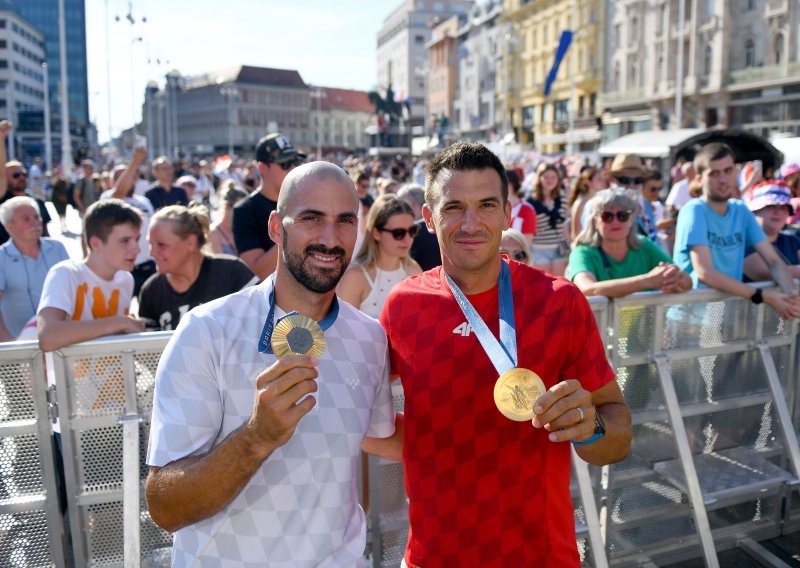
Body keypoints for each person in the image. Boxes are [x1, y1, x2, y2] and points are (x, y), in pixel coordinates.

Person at [380, 142, 631, 566]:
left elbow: (619, 438)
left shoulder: (560, 301)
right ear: (427, 217)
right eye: (453, 206)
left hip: (539, 555)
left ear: (508, 212)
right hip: (434, 555)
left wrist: (590, 428)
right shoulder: (404, 305)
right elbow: (363, 412)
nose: (471, 223)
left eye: (486, 205)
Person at [145, 161, 400, 566]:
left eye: (345, 220)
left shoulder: (369, 338)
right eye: (311, 218)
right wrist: (256, 437)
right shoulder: (206, 332)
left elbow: (375, 445)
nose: (330, 238)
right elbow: (165, 507)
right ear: (276, 227)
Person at [673, 142, 800, 319]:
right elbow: (705, 273)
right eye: (714, 173)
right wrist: (764, 296)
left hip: (726, 316)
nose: (723, 179)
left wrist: (790, 296)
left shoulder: (740, 210)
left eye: (727, 170)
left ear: (735, 172)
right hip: (692, 319)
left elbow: (773, 261)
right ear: (700, 178)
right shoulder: (694, 210)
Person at [35, 199, 145, 351]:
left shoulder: (125, 279)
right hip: (71, 375)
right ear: (95, 244)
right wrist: (122, 322)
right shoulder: (66, 274)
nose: (136, 249)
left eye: (137, 239)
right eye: (125, 241)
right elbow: (48, 337)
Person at [139, 204, 258, 331]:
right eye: (150, 244)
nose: (152, 253)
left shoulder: (231, 272)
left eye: (161, 245)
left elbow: (265, 317)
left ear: (191, 242)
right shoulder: (152, 291)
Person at [567, 188, 691, 297]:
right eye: (607, 216)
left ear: (632, 220)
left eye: (622, 215)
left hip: (645, 323)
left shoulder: (644, 245)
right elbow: (587, 289)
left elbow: (686, 281)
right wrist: (648, 281)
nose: (615, 222)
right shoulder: (583, 252)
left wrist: (676, 281)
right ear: (595, 222)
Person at [232, 132, 305, 280]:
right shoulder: (245, 210)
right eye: (285, 163)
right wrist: (291, 228)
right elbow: (254, 273)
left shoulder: (305, 201)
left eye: (295, 161)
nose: (293, 168)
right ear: (262, 168)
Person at [336, 194, 422, 318]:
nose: (408, 239)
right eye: (398, 233)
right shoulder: (355, 276)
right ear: (376, 233)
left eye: (412, 230)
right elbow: (342, 329)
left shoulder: (414, 271)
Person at [0, 196, 68, 340]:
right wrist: (7, 342)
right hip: (19, 343)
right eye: (26, 218)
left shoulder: (57, 248)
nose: (35, 222)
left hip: (60, 338)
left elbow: (74, 289)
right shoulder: (1, 257)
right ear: (9, 226)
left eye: (36, 216)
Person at [101, 147, 158, 296]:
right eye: (121, 177)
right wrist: (135, 162)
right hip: (121, 267)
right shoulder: (108, 198)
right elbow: (118, 193)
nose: (128, 179)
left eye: (130, 175)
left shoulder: (144, 201)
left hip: (147, 264)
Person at [0, 122, 51, 244]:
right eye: (16, 175)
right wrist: (1, 139)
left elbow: (46, 234)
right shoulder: (2, 202)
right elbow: (0, 173)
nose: (21, 178)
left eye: (23, 174)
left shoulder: (37, 202)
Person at [743, 181, 800, 280]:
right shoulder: (742, 242)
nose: (777, 212)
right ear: (755, 211)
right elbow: (763, 274)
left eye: (783, 207)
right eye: (770, 206)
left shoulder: (793, 241)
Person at [528, 163, 570, 275]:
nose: (549, 180)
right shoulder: (530, 202)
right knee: (543, 287)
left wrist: (570, 247)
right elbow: (529, 230)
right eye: (546, 177)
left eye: (553, 177)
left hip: (559, 249)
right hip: (538, 249)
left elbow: (564, 226)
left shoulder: (562, 200)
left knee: (558, 285)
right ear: (539, 178)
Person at [208, 181, 248, 256]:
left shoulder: (244, 230)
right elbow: (218, 266)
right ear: (226, 206)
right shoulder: (213, 233)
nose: (244, 213)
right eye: (239, 208)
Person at [568, 166, 607, 238]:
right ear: (588, 182)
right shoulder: (580, 203)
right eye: (599, 179)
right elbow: (575, 233)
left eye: (603, 179)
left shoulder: (602, 200)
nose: (603, 182)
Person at [506, 169, 537, 246]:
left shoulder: (526, 209)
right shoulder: (491, 207)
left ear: (513, 184)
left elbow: (527, 242)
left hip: (514, 256)